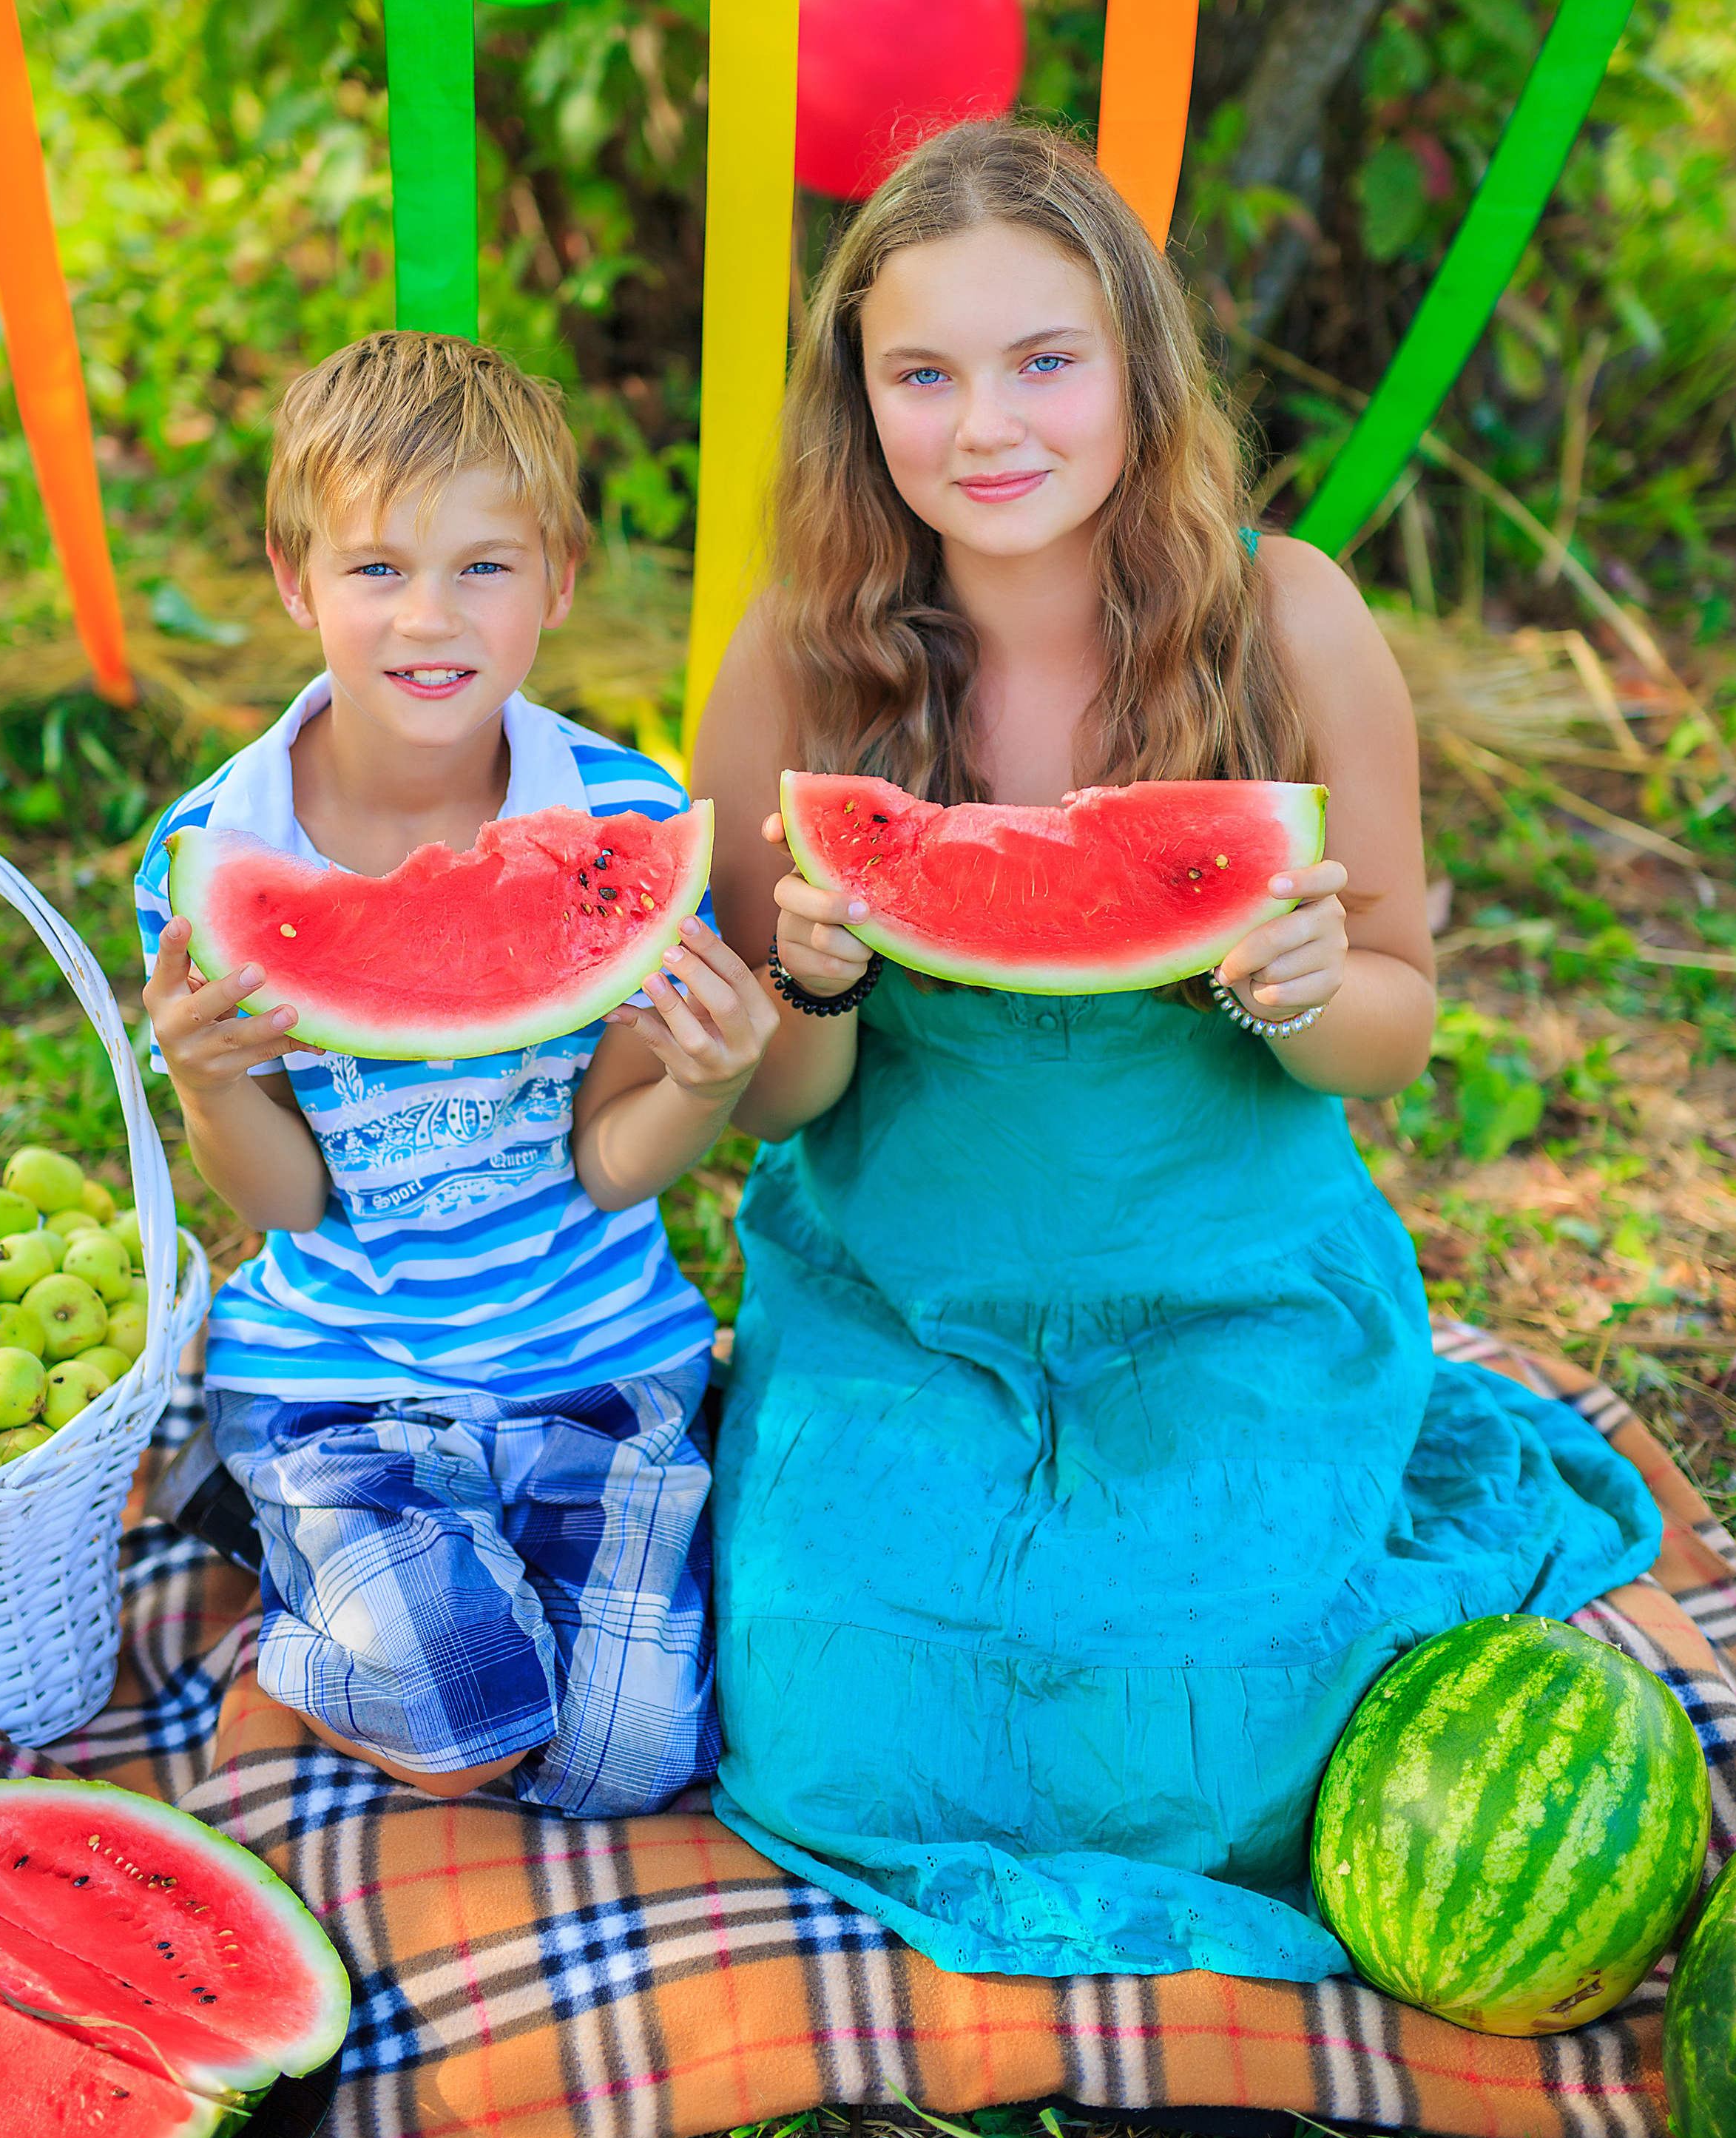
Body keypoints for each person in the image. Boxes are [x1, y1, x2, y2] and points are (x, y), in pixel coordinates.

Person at [692, 121, 1661, 1982]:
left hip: (1231, 1296)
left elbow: (1389, 1025)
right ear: (859, 401)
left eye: (1044, 360)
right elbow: (778, 1105)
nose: (987, 426)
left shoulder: (1288, 618)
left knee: (1204, 1738)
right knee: (830, 1723)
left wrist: (1304, 983)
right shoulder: (797, 661)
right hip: (902, 1296)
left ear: (1138, 365)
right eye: (924, 373)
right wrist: (805, 983)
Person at [138, 329, 777, 1807]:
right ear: (296, 583)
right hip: (337, 1379)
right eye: (376, 570)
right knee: (466, 1717)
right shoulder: (215, 852)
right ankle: (284, 1622)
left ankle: (424, 1595)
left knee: (626, 1759)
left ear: (556, 584)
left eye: (483, 567)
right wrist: (211, 1081)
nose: (430, 617)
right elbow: (291, 1204)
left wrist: (701, 1082)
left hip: (597, 1363)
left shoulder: (627, 819)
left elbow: (607, 1160)